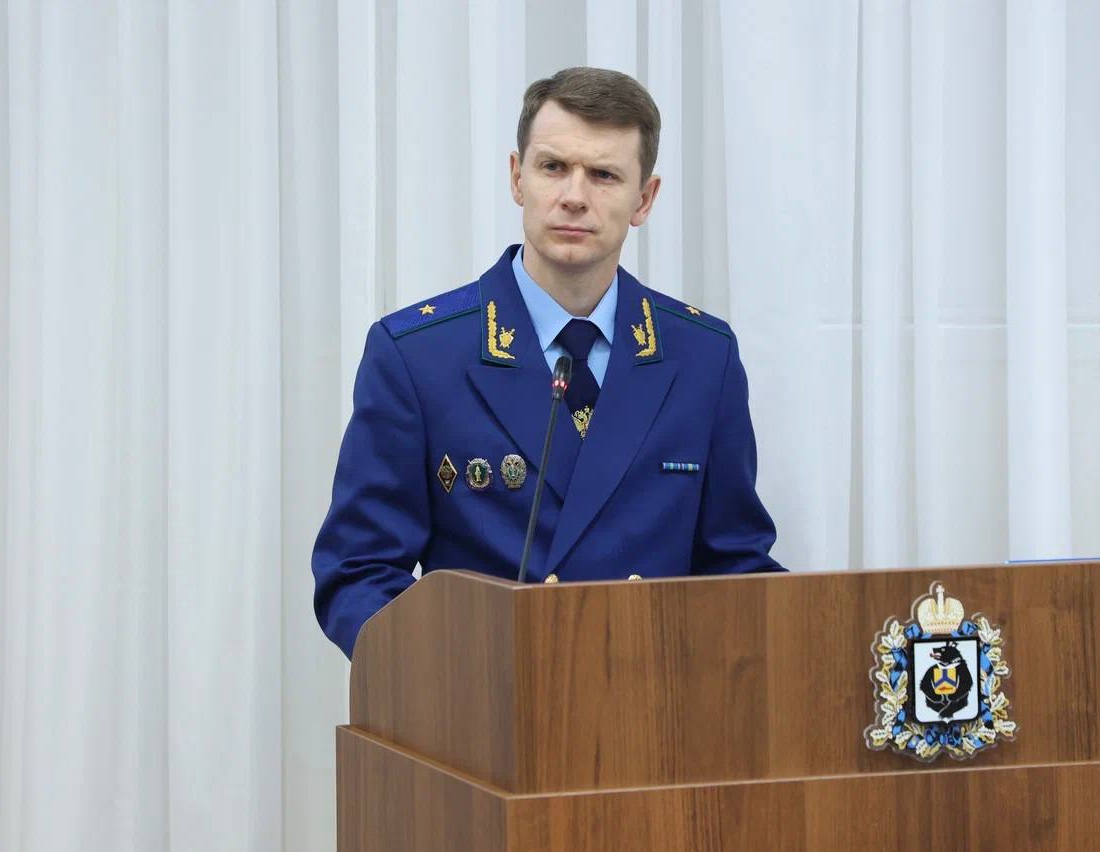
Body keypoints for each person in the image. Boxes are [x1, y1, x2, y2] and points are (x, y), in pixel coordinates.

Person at [313, 66, 783, 659]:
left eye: (604, 175)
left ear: (644, 199)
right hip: (486, 698)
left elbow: (736, 567)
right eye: (553, 166)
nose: (574, 196)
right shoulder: (418, 355)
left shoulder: (703, 357)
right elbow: (358, 571)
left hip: (656, 697)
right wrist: (447, 676)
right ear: (518, 178)